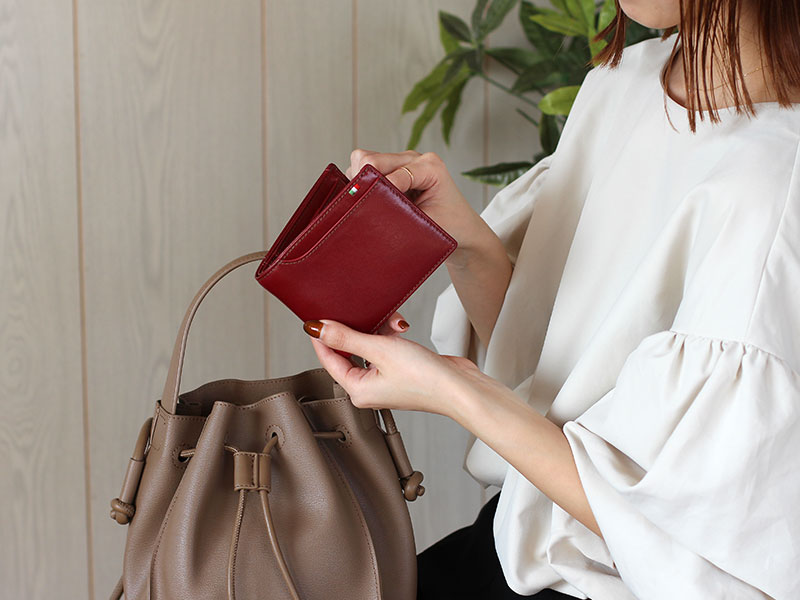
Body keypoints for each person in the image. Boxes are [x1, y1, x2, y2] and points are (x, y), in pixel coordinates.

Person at [302, 0, 800, 597]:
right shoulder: (622, 82)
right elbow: (553, 372)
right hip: (515, 543)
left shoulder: (778, 175)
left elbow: (704, 551)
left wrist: (454, 390)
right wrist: (463, 243)